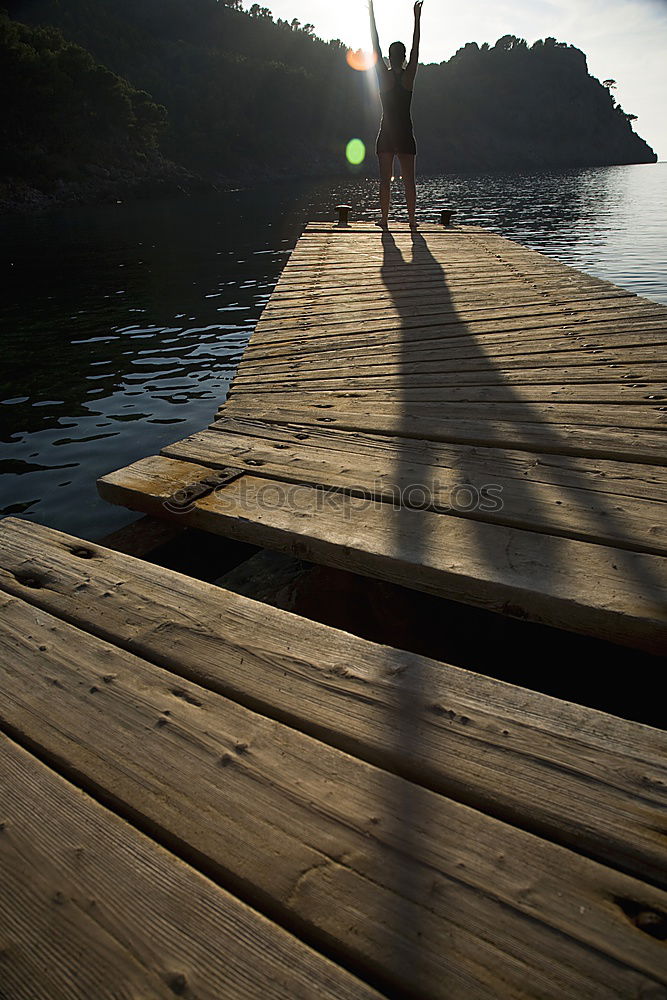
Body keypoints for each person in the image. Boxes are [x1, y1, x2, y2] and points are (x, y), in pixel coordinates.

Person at [369, 0, 423, 228]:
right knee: (409, 181)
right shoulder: (409, 76)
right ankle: (411, 220)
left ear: (390, 58)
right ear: (403, 57)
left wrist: (371, 14)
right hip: (404, 133)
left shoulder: (384, 76)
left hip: (387, 133)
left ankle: (384, 219)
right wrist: (417, 19)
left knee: (385, 181)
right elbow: (416, 48)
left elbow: (375, 46)